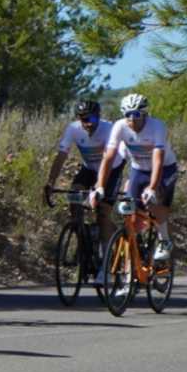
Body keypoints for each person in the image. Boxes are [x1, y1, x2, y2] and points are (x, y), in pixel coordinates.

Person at [92, 92, 178, 262]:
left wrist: (152, 188)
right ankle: (136, 252)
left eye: (136, 115)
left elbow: (158, 159)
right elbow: (109, 157)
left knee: (155, 203)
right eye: (127, 115)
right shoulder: (120, 126)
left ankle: (164, 240)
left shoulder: (157, 126)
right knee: (129, 210)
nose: (132, 119)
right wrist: (100, 186)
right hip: (138, 169)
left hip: (164, 168)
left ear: (144, 114)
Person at [44, 99, 119, 270]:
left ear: (99, 117)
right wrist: (50, 183)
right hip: (89, 168)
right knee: (74, 196)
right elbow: (61, 156)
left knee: (102, 214)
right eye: (82, 119)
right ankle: (82, 241)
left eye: (91, 119)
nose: (87, 124)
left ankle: (106, 260)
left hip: (111, 169)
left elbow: (108, 159)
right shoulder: (73, 129)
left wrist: (98, 187)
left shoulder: (109, 130)